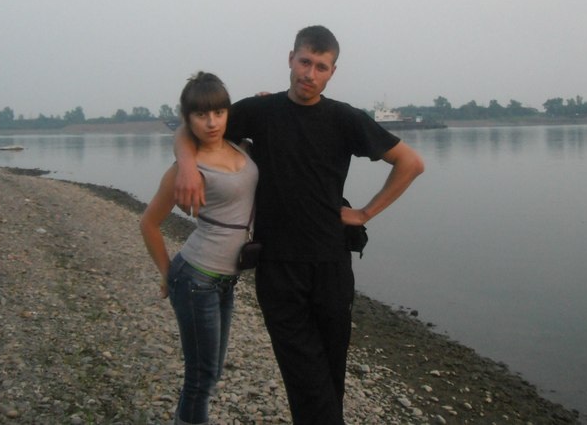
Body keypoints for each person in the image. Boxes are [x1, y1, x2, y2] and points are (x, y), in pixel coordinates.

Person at [173, 26, 425, 425]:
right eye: (305, 62)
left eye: (321, 67)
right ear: (290, 59)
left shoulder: (345, 118)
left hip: (332, 267)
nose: (310, 73)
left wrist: (365, 213)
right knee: (305, 379)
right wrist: (187, 165)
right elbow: (192, 127)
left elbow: (411, 163)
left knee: (330, 376)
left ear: (332, 72)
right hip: (279, 269)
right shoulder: (261, 111)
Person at [140, 71, 258, 425]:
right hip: (195, 279)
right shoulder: (186, 169)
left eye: (219, 113)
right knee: (200, 379)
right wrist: (168, 274)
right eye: (201, 115)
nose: (212, 122)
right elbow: (149, 223)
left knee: (211, 373)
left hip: (225, 282)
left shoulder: (238, 146)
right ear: (188, 118)